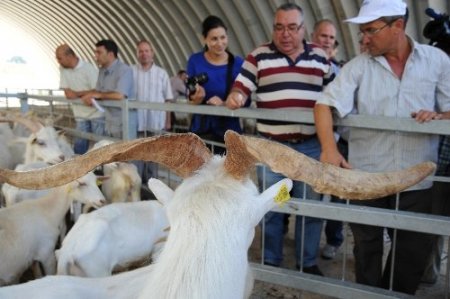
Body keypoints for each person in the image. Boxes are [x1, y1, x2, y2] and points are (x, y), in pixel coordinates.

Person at [314, 0, 450, 294]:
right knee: (366, 247)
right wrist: (330, 149)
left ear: (397, 26)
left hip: (417, 179)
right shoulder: (357, 67)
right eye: (362, 31)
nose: (364, 38)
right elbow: (325, 104)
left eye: (371, 30)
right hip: (367, 178)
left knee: (412, 250)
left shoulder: (437, 61)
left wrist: (440, 116)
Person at [226, 3, 335, 276]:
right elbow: (242, 87)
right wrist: (237, 97)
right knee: (274, 204)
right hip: (273, 151)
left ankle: (306, 261)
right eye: (279, 27)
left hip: (309, 149)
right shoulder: (259, 56)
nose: (285, 34)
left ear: (303, 29)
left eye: (292, 27)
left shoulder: (320, 58)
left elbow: (337, 93)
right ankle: (271, 258)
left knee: (310, 207)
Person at [187, 15, 250, 154]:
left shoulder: (238, 63)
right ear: (204, 39)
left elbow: (246, 98)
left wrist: (225, 103)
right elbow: (190, 94)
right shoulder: (195, 61)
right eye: (214, 39)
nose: (220, 43)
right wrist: (196, 99)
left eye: (223, 37)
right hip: (200, 133)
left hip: (229, 134)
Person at [310, 19, 345, 260]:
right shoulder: (304, 67)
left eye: (331, 38)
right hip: (309, 142)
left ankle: (333, 240)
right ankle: (297, 236)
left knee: (336, 195)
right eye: (323, 36)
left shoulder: (342, 73)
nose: (327, 41)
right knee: (302, 192)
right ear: (312, 37)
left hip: (337, 142)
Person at [131, 39, 173, 181]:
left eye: (147, 51)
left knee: (153, 159)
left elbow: (168, 99)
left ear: (152, 53)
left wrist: (168, 122)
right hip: (137, 123)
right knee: (136, 158)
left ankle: (151, 190)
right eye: (141, 51)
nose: (144, 54)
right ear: (137, 54)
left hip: (156, 123)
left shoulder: (162, 74)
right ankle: (138, 187)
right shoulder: (131, 72)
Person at [80, 39, 136, 140]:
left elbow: (120, 95)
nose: (96, 56)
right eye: (95, 52)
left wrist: (98, 95)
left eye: (99, 52)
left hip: (123, 122)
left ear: (110, 54)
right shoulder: (102, 70)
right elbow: (98, 91)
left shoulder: (124, 70)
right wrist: (91, 97)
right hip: (108, 120)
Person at [55, 44, 104, 154]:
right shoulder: (63, 69)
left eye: (60, 58)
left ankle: (100, 169)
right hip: (80, 115)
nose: (58, 61)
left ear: (69, 56)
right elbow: (68, 94)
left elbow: (97, 91)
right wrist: (86, 94)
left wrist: (77, 94)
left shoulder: (89, 69)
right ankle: (79, 169)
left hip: (96, 114)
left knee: (100, 145)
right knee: (80, 145)